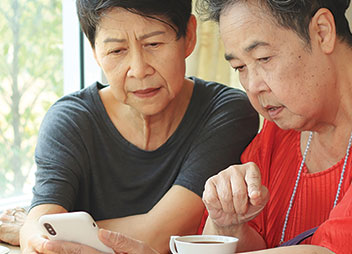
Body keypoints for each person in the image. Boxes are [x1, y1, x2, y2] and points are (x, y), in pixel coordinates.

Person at [16, 0, 259, 253]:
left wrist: (43, 231)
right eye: (117, 50)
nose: (139, 70)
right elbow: (40, 235)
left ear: (189, 36)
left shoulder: (226, 112)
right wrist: (34, 231)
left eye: (153, 44)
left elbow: (161, 233)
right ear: (94, 51)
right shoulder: (71, 121)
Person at [196, 0, 352, 253]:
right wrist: (228, 226)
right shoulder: (286, 120)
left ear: (322, 32)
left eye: (264, 58)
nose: (252, 86)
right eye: (240, 67)